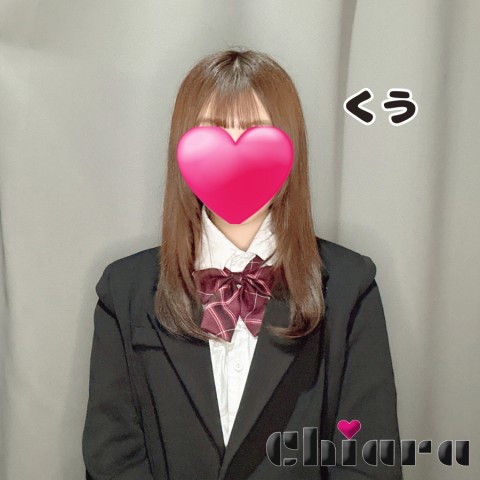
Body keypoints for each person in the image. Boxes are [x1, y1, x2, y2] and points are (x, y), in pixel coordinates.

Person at [82, 49, 403, 479]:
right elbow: (112, 457)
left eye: (256, 131)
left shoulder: (350, 286)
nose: (234, 152)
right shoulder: (124, 289)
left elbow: (368, 460)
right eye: (212, 131)